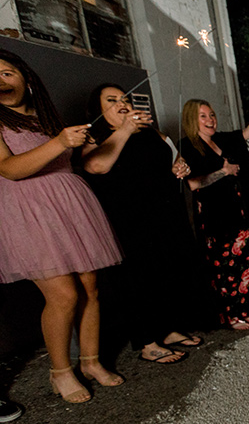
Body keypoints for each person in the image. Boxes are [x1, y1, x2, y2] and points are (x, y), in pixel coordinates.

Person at [0, 50, 124, 402]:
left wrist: (77, 143)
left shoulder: (45, 117)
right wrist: (59, 143)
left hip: (68, 207)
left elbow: (77, 161)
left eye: (8, 73)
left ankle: (90, 362)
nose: (2, 81)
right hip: (30, 212)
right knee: (64, 295)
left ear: (25, 77)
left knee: (90, 287)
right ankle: (60, 372)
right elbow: (8, 169)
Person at [82, 83, 206, 363]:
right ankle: (147, 342)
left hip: (163, 214)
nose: (122, 103)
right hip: (128, 221)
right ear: (98, 111)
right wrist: (124, 129)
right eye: (112, 100)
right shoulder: (96, 136)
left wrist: (179, 166)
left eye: (125, 98)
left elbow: (173, 159)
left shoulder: (150, 133)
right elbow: (95, 166)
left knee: (167, 272)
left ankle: (168, 329)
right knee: (138, 278)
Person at [180, 99, 249, 330]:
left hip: (236, 209)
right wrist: (223, 172)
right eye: (203, 116)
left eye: (212, 114)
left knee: (245, 260)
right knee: (224, 266)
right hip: (214, 215)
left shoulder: (222, 140)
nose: (210, 120)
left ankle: (248, 308)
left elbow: (246, 133)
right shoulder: (188, 147)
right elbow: (193, 184)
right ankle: (232, 314)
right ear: (191, 120)